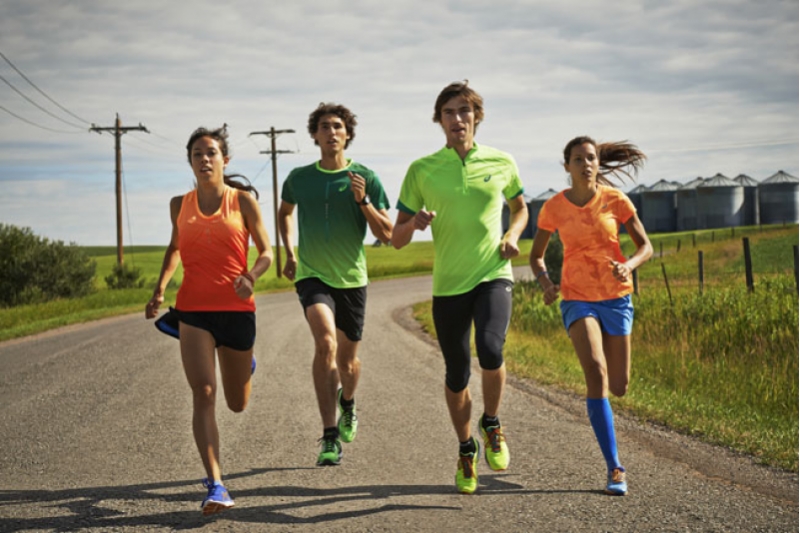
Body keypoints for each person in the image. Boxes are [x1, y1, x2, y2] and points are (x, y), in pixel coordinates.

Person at [391, 81, 529, 494]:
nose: (457, 119)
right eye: (449, 112)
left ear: (477, 117)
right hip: (449, 285)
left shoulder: (502, 161)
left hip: (493, 274)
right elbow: (395, 238)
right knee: (456, 372)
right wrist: (414, 224)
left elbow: (521, 207)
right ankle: (466, 448)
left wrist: (513, 234)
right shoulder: (422, 169)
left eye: (464, 111)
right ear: (440, 121)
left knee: (491, 349)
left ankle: (492, 423)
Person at [145, 126, 273, 515]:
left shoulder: (243, 202)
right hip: (194, 312)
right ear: (190, 161)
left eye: (211, 153)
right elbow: (174, 248)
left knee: (236, 403)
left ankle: (244, 368)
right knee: (203, 392)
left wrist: (250, 277)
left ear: (225, 160)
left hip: (236, 312)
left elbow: (266, 251)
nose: (204, 159)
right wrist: (160, 289)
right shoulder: (178, 204)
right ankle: (216, 484)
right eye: (197, 153)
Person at [528, 135, 652, 496]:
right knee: (595, 371)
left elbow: (646, 246)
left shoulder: (616, 201)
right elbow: (535, 256)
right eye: (578, 159)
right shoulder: (553, 208)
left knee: (619, 385)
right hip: (577, 299)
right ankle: (615, 467)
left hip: (616, 298)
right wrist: (546, 283)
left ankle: (611, 446)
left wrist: (628, 266)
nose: (586, 165)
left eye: (591, 158)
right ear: (566, 166)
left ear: (598, 164)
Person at [278, 103, 392, 466]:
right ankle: (329, 435)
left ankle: (348, 402)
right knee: (325, 343)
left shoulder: (365, 177)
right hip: (312, 274)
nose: (331, 132)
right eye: (324, 126)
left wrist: (363, 200)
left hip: (353, 279)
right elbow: (284, 213)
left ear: (348, 134)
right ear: (314, 135)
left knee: (348, 361)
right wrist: (289, 252)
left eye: (338, 126)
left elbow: (386, 233)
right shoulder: (299, 178)